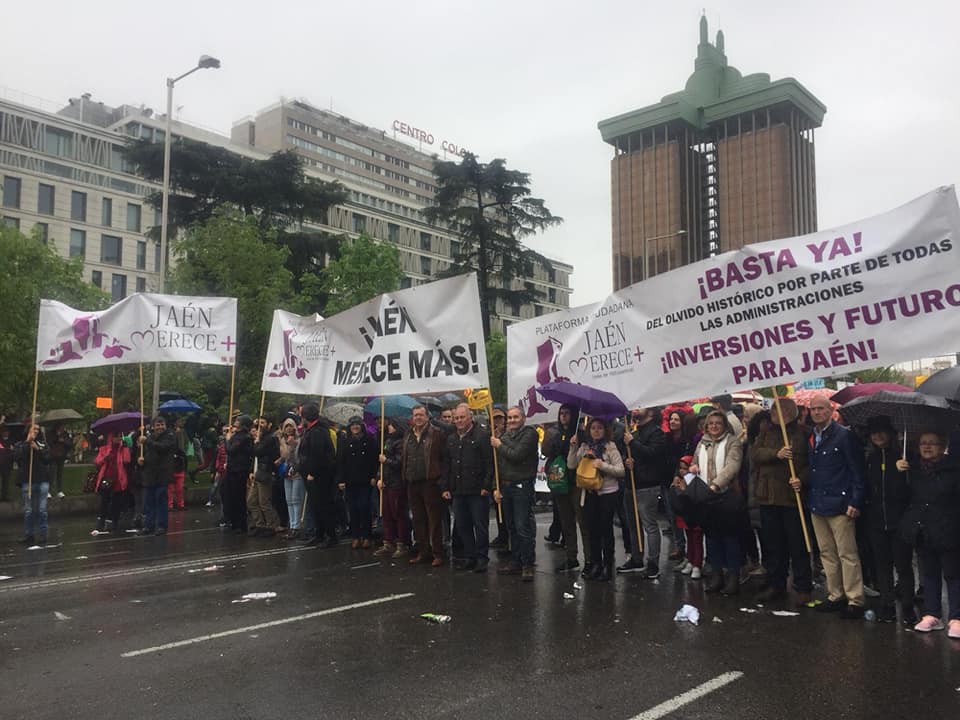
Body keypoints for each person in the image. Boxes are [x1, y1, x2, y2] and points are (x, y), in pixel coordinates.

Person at [798, 396, 866, 619]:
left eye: (820, 409)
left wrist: (855, 500)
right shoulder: (812, 436)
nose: (816, 413)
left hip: (840, 503)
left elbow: (857, 470)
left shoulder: (844, 436)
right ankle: (835, 594)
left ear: (830, 411)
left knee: (847, 554)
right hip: (818, 502)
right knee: (827, 553)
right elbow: (815, 469)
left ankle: (854, 598)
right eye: (813, 409)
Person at [750, 398, 813, 606]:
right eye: (776, 410)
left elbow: (811, 464)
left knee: (798, 545)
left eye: (784, 410)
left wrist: (801, 480)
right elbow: (755, 454)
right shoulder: (766, 432)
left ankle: (803, 587)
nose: (779, 414)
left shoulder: (803, 433)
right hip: (768, 496)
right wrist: (775, 454)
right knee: (774, 545)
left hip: (792, 498)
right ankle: (777, 584)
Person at [897, 431, 960, 637]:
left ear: (943, 447)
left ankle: (956, 617)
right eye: (923, 443)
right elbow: (905, 496)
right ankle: (932, 614)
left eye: (932, 443)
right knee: (929, 574)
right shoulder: (912, 468)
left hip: (948, 528)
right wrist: (899, 472)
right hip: (922, 529)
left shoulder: (953, 469)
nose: (927, 447)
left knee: (953, 574)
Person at [864, 417, 915, 625]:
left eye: (881, 431)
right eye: (873, 432)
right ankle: (887, 605)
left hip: (900, 521)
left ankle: (908, 606)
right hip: (876, 521)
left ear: (891, 433)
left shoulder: (904, 456)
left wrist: (907, 472)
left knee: (903, 566)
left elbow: (913, 490)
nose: (877, 436)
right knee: (882, 565)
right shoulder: (870, 459)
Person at [690, 410, 745, 596]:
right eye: (710, 423)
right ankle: (717, 575)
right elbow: (695, 461)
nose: (714, 426)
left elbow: (732, 466)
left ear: (724, 425)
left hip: (725, 495)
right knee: (712, 539)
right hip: (706, 498)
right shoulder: (701, 443)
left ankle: (733, 577)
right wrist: (693, 467)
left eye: (718, 423)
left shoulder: (732, 442)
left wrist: (715, 485)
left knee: (730, 539)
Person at [567, 417, 625, 582]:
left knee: (606, 530)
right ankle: (596, 564)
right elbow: (571, 465)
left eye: (600, 427)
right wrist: (573, 448)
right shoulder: (585, 446)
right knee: (592, 530)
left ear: (605, 430)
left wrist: (602, 465)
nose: (596, 431)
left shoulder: (610, 447)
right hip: (589, 492)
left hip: (607, 492)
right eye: (593, 428)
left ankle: (608, 565)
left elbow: (620, 471)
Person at [442, 403, 494, 572]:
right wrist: (446, 487)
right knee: (463, 525)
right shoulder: (451, 439)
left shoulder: (482, 436)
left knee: (480, 526)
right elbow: (447, 465)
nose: (459, 421)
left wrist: (486, 485)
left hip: (477, 490)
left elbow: (489, 463)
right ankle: (470, 556)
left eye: (462, 417)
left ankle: (482, 558)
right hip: (458, 490)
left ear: (470, 417)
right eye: (456, 418)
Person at [491, 407, 539, 581]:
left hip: (522, 486)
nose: (511, 420)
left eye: (515, 417)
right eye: (509, 418)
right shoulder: (503, 437)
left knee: (522, 526)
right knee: (511, 526)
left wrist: (499, 445)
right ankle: (516, 560)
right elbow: (497, 465)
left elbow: (517, 454)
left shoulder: (530, 434)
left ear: (523, 418)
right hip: (506, 486)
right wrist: (495, 487)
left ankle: (527, 563)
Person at [620, 407, 667, 578]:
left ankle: (653, 563)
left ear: (652, 412)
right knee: (633, 525)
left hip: (647, 485)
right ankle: (636, 557)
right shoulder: (634, 432)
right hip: (631, 484)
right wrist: (628, 461)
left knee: (649, 525)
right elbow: (630, 454)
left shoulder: (656, 433)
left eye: (641, 407)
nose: (636, 410)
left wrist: (632, 443)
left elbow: (652, 454)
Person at [542, 403, 585, 573]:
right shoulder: (556, 433)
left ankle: (589, 559)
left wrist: (575, 443)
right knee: (566, 522)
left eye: (567, 413)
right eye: (561, 413)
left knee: (582, 522)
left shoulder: (581, 434)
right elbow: (547, 452)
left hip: (576, 482)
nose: (564, 416)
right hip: (560, 482)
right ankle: (571, 557)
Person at [403, 405, 447, 566]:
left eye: (421, 415)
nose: (418, 418)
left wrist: (441, 480)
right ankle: (423, 552)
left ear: (427, 416)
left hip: (431, 482)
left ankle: (438, 553)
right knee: (418, 519)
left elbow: (444, 459)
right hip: (412, 482)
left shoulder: (437, 434)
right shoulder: (408, 434)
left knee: (434, 520)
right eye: (415, 415)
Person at [299, 402, 339, 547]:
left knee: (323, 506)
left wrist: (312, 472)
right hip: (314, 474)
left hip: (320, 475)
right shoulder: (312, 430)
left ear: (306, 416)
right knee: (316, 506)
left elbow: (318, 454)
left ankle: (330, 536)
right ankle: (319, 534)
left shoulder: (317, 431)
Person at [338, 416, 379, 549]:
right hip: (350, 480)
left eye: (357, 424)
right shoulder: (345, 441)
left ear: (361, 426)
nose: (355, 427)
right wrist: (341, 480)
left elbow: (374, 460)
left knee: (364, 507)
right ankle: (355, 536)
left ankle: (367, 535)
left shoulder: (369, 440)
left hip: (366, 479)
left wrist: (374, 476)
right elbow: (341, 462)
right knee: (353, 509)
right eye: (352, 425)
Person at [377, 417, 410, 558]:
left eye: (391, 425)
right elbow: (381, 464)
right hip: (387, 482)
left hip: (397, 483)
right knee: (387, 513)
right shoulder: (387, 440)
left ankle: (402, 542)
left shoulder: (401, 442)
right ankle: (388, 541)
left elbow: (399, 462)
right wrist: (380, 477)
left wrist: (386, 461)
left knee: (399, 513)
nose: (388, 428)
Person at [137, 416, 176, 536]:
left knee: (161, 501)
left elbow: (162, 448)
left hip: (162, 475)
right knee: (149, 502)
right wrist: (141, 461)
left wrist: (147, 441)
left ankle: (161, 526)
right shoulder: (149, 438)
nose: (160, 427)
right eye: (157, 425)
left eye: (162, 424)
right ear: (153, 427)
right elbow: (148, 454)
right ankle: (149, 525)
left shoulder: (169, 436)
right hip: (150, 475)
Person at [15, 424, 51, 545]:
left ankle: (43, 534)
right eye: (33, 429)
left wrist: (37, 449)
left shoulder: (43, 444)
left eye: (37, 429)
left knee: (41, 509)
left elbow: (47, 459)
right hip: (28, 480)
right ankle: (29, 534)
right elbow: (18, 457)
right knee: (29, 510)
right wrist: (27, 443)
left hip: (42, 480)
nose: (35, 431)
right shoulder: (21, 444)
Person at [94, 433, 132, 534]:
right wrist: (105, 457)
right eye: (116, 436)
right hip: (107, 478)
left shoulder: (122, 448)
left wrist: (125, 448)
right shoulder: (104, 449)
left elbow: (127, 460)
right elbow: (97, 462)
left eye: (120, 436)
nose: (119, 438)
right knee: (104, 501)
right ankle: (101, 522)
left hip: (119, 479)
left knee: (116, 502)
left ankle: (113, 521)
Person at [248, 416, 280, 537]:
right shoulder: (262, 438)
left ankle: (271, 526)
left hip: (266, 472)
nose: (260, 425)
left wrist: (256, 442)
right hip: (259, 471)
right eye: (259, 423)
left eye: (263, 423)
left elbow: (257, 452)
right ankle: (259, 524)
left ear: (269, 424)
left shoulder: (270, 438)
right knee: (251, 501)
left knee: (264, 502)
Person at [223, 415, 254, 535]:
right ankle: (233, 521)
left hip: (239, 470)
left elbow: (230, 450)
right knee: (230, 495)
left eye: (238, 421)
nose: (235, 423)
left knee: (238, 497)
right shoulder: (237, 436)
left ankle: (240, 524)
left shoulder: (244, 437)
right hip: (232, 469)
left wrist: (227, 439)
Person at [279, 419, 305, 539]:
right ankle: (291, 525)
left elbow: (299, 457)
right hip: (286, 473)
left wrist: (294, 445)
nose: (289, 428)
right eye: (286, 426)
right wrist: (288, 446)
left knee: (296, 500)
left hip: (297, 473)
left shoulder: (300, 440)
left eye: (291, 426)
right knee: (289, 500)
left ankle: (297, 527)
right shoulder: (282, 441)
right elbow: (284, 456)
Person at [488, 406, 510, 550]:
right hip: (496, 477)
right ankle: (502, 536)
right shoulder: (488, 435)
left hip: (508, 478)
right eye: (494, 418)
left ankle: (509, 539)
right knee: (499, 509)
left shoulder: (509, 434)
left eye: (500, 418)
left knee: (509, 512)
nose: (497, 421)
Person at [47, 423, 73, 498]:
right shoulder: (51, 433)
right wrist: (57, 438)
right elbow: (49, 442)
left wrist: (63, 441)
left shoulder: (65, 434)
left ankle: (59, 490)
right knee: (51, 473)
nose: (62, 428)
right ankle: (49, 491)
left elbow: (69, 444)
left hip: (61, 456)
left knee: (60, 473)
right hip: (53, 456)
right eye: (61, 427)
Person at [167, 417, 188, 511]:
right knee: (170, 489)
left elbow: (184, 457)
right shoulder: (167, 450)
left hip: (179, 469)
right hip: (171, 470)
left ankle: (180, 504)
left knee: (179, 489)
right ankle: (170, 505)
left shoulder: (180, 451)